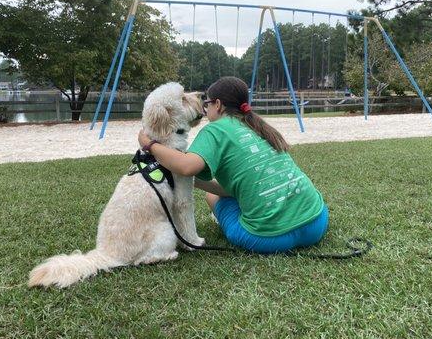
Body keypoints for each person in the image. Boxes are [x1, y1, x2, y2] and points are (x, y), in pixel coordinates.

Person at [138, 76, 328, 254]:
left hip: (268, 238)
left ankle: (228, 220)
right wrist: (188, 179)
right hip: (317, 222)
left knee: (212, 196)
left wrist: (150, 145)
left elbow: (187, 166)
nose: (205, 110)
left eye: (207, 104)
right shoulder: (259, 126)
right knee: (230, 190)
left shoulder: (214, 130)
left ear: (218, 105)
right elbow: (227, 186)